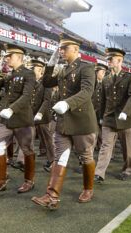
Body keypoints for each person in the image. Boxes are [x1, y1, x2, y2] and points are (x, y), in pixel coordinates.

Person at [32, 35, 97, 209]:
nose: (61, 51)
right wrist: (51, 64)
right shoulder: (62, 69)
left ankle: (88, 189)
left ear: (76, 49)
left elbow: (87, 92)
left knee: (86, 157)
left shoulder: (86, 68)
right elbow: (46, 82)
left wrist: (67, 103)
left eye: (64, 48)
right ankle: (51, 195)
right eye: (60, 48)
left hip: (81, 121)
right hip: (63, 121)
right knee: (59, 156)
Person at [0, 44, 36, 194]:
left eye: (9, 56)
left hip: (21, 119)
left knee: (27, 150)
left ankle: (29, 180)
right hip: (6, 121)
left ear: (19, 57)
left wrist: (12, 109)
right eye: (6, 56)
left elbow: (26, 96)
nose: (6, 59)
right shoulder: (9, 75)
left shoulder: (28, 74)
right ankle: (0, 181)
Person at [93, 48, 131, 182]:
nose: (108, 62)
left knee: (128, 148)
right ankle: (99, 173)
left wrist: (125, 112)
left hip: (124, 118)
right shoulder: (106, 79)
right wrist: (101, 116)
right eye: (108, 59)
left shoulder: (130, 77)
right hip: (109, 118)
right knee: (105, 146)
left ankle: (128, 169)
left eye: (110, 59)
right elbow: (103, 100)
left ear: (119, 61)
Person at [92, 63, 107, 151]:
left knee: (102, 133)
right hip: (93, 112)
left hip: (102, 112)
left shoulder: (105, 84)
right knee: (94, 132)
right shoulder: (92, 83)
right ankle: (91, 149)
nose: (103, 74)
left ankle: (102, 148)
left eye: (104, 73)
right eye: (101, 72)